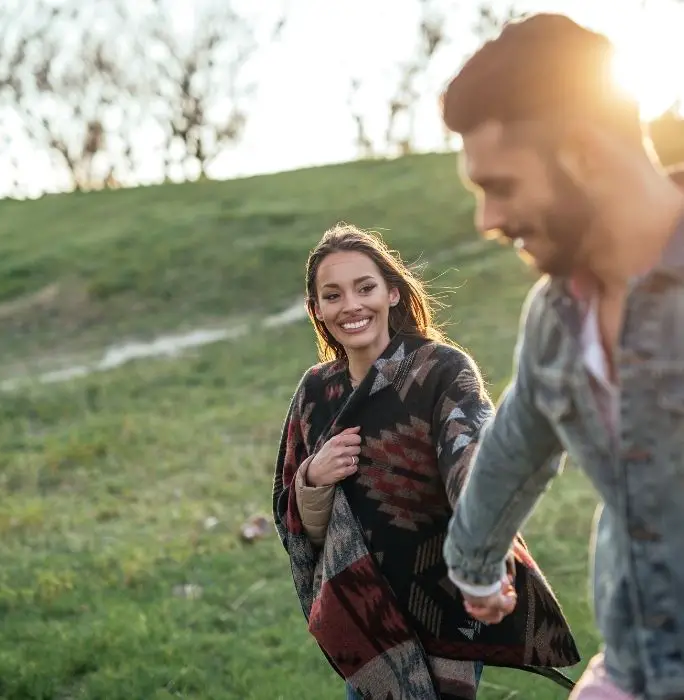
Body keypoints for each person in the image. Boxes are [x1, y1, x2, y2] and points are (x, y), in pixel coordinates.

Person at [439, 12, 684, 700]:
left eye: (501, 186)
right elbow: (516, 441)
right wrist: (474, 567)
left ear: (582, 153)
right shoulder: (557, 314)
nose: (486, 220)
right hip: (635, 665)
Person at [272, 223, 579, 700]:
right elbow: (294, 522)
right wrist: (313, 478)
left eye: (365, 287)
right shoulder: (316, 392)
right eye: (332, 295)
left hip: (444, 601)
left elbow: (471, 462)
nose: (351, 305)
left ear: (392, 292)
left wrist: (487, 556)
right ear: (316, 309)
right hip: (363, 610)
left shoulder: (441, 371)